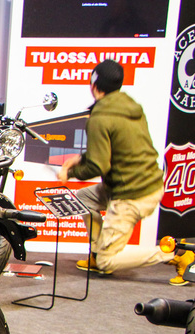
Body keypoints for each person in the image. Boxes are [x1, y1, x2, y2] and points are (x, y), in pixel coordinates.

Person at [59, 59, 193, 285]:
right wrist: (80, 158)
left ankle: (175, 255)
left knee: (108, 262)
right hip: (143, 185)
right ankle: (97, 253)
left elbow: (97, 167)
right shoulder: (128, 105)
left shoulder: (100, 117)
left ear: (93, 84)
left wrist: (69, 174)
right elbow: (117, 146)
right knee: (82, 199)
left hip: (132, 194)